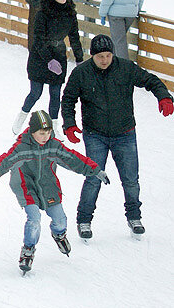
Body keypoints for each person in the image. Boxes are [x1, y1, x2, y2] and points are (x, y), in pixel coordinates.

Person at [63, 34, 173, 239]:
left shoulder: (126, 68)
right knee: (94, 178)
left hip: (124, 133)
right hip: (95, 134)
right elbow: (68, 99)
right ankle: (84, 220)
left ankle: (134, 216)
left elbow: (150, 80)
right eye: (100, 56)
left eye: (108, 55)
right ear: (92, 56)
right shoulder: (81, 73)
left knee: (130, 179)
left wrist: (164, 96)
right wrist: (69, 124)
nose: (104, 60)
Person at [0, 110, 106, 274]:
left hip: (48, 186)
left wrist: (95, 170)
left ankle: (59, 235)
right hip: (26, 187)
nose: (45, 136)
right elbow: (5, 160)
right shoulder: (22, 147)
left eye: (48, 132)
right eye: (41, 133)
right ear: (32, 131)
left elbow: (72, 158)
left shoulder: (53, 146)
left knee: (60, 219)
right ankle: (28, 249)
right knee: (34, 219)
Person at [12, 0, 83, 136]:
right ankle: (22, 116)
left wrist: (79, 59)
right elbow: (37, 38)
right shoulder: (43, 13)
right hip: (40, 56)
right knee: (35, 93)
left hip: (59, 54)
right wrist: (49, 60)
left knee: (56, 94)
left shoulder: (70, 12)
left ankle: (54, 127)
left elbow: (74, 37)